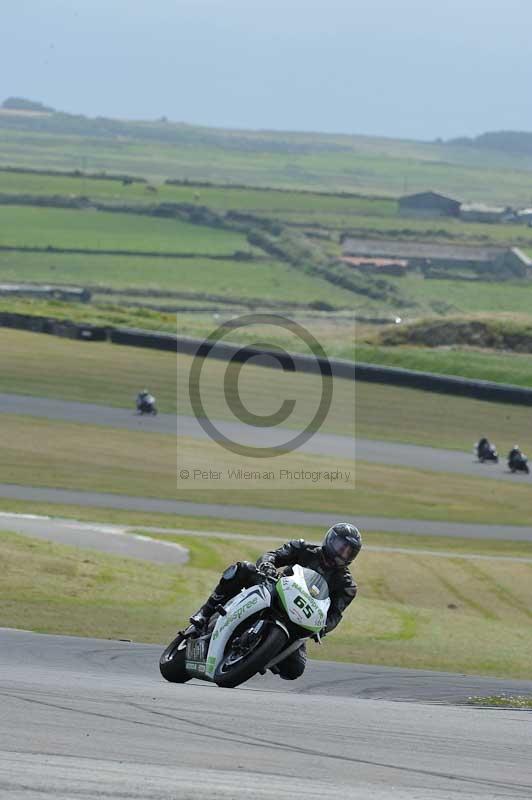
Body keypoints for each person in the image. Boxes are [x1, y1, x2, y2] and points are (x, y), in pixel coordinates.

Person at [189, 522, 362, 680]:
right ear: (330, 540)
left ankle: (259, 654)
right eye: (341, 546)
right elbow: (272, 555)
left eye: (349, 551)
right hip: (275, 590)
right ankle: (205, 612)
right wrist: (268, 565)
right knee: (243, 569)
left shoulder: (347, 586)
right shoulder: (303, 548)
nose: (342, 553)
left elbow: (335, 615)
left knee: (295, 669)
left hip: (300, 618)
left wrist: (322, 628)